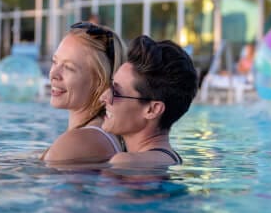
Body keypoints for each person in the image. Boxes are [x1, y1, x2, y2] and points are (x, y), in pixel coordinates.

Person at [100, 35, 199, 166]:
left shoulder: (125, 163)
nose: (103, 97)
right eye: (111, 85)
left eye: (116, 92)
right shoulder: (171, 159)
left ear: (152, 109)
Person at [41, 21, 127, 164]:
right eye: (55, 62)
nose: (53, 74)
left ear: (100, 82)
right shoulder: (98, 135)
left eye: (69, 67)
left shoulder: (77, 143)